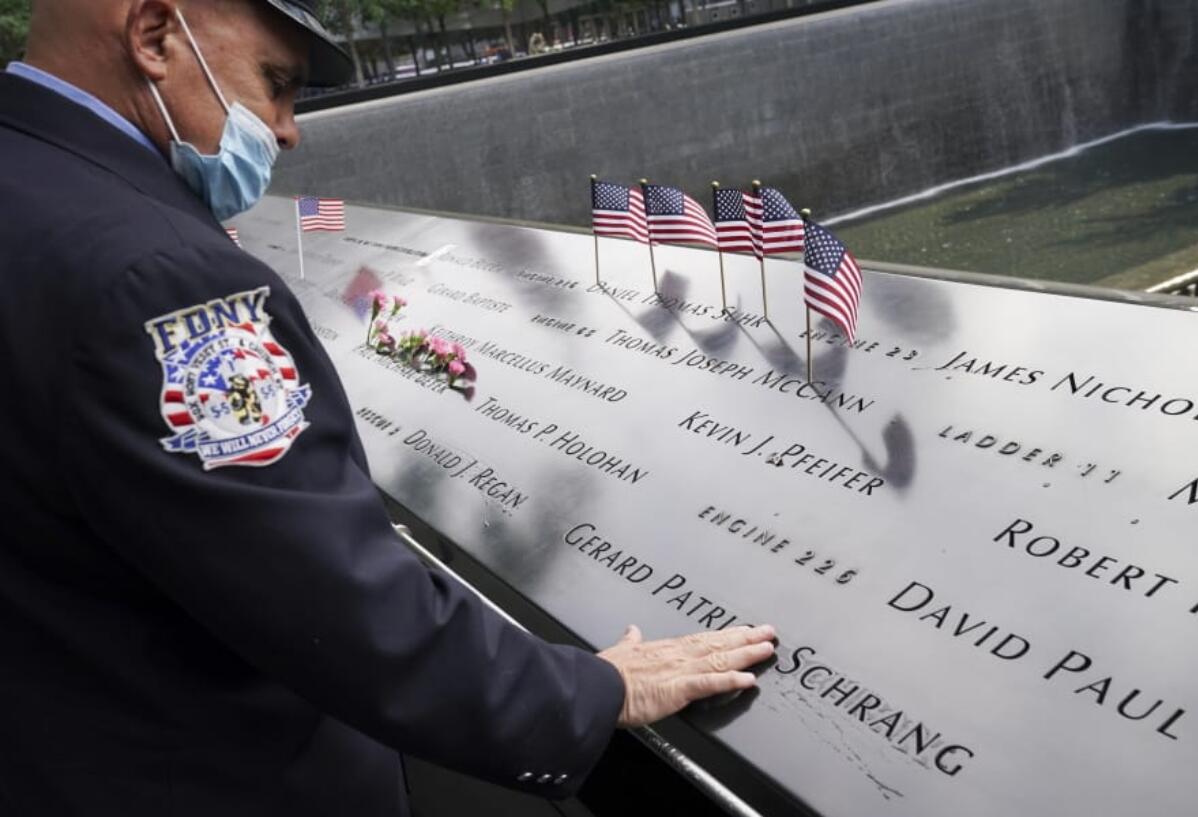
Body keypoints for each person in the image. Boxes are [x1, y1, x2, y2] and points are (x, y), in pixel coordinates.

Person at [0, 1, 777, 815]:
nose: (287, 129)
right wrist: (590, 692)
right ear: (156, 36)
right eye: (277, 84)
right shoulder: (158, 275)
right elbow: (331, 602)